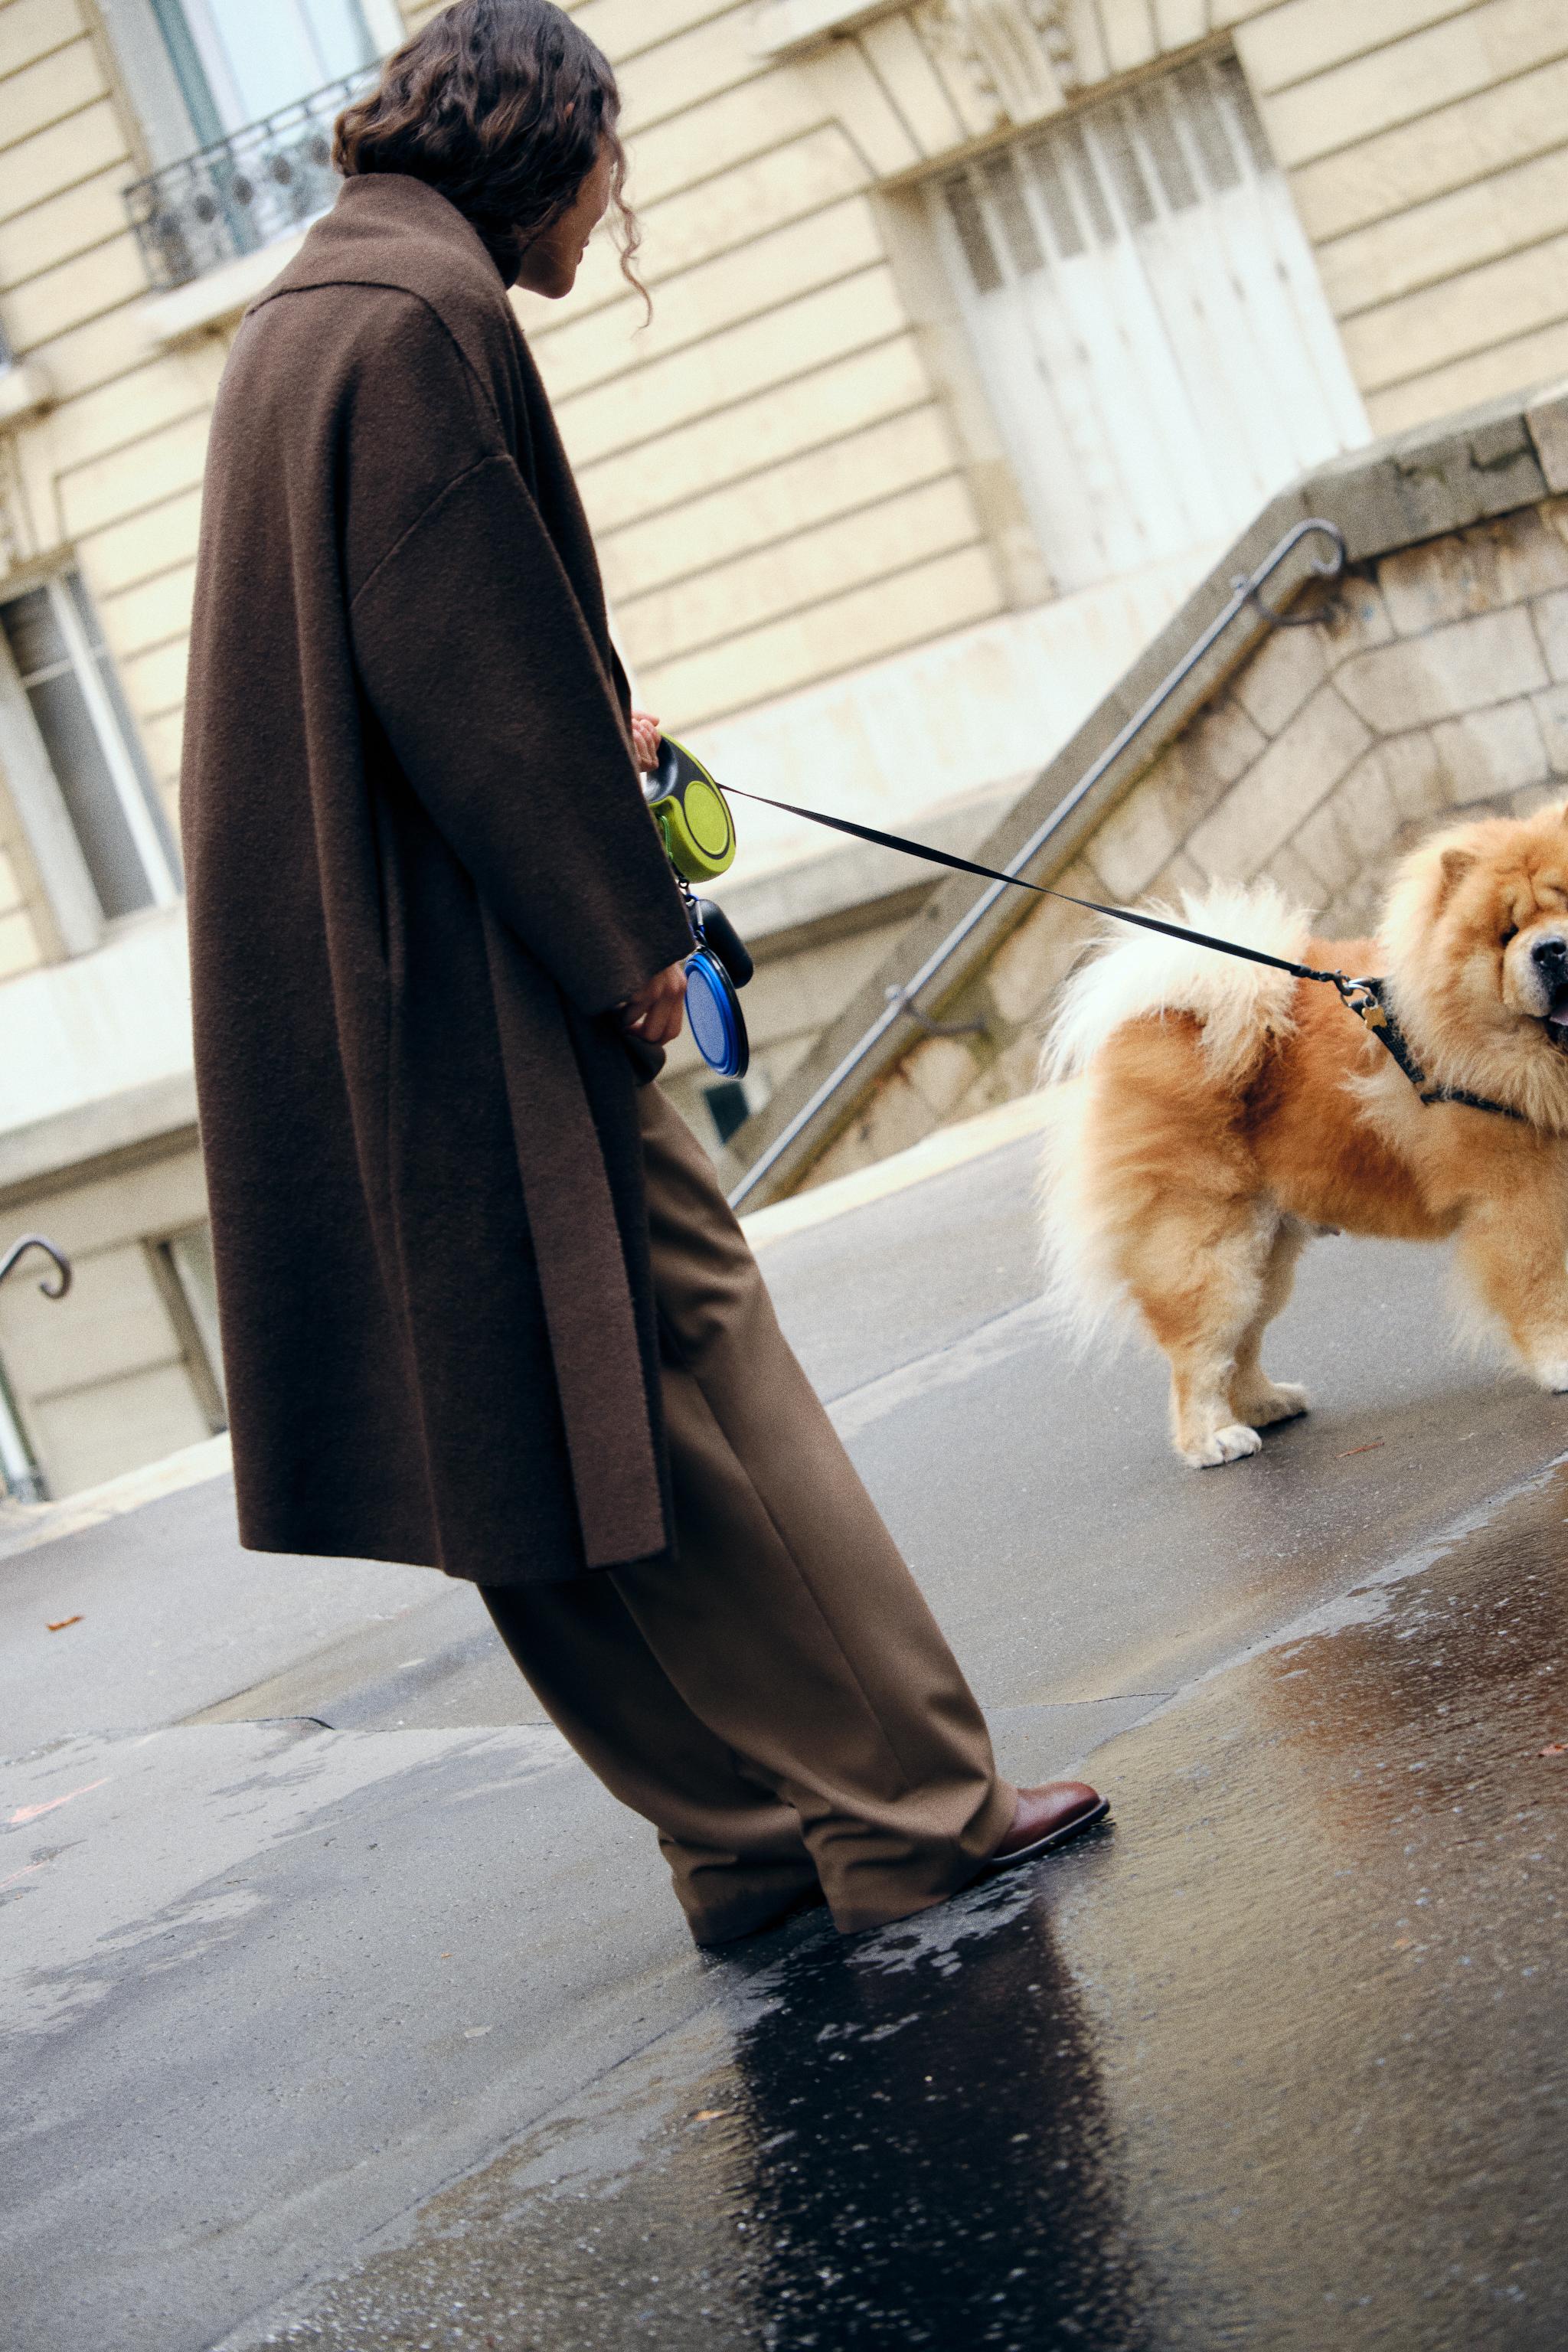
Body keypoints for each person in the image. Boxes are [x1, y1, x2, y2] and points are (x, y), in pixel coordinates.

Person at [181, 0, 1106, 1947]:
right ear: (545, 143)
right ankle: (916, 1808)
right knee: (696, 1346)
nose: (620, 204)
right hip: (484, 982)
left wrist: (583, 723)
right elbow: (471, 681)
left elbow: (405, 659)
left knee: (511, 1421)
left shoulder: (308, 313)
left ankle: (739, 1836)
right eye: (616, 162)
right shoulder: (432, 320)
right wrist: (630, 952)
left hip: (347, 992)